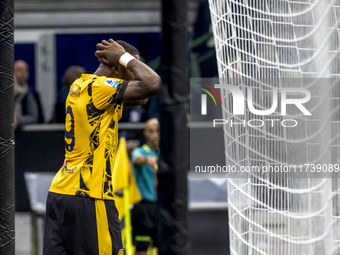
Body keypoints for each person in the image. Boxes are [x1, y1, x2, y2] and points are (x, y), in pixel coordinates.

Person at [43, 39, 160, 255]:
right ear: (117, 67)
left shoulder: (80, 86)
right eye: (131, 68)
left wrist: (124, 62)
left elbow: (143, 98)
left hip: (60, 193)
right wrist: (125, 57)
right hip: (90, 195)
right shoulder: (101, 90)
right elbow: (154, 83)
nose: (134, 74)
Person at [131, 118, 159, 255]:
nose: (154, 135)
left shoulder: (167, 153)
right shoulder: (140, 152)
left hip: (162, 208)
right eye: (151, 131)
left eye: (157, 131)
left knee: (166, 246)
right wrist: (147, 160)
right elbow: (136, 159)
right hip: (143, 208)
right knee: (142, 248)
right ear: (145, 133)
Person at [14, 59, 44, 125]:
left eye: (25, 71)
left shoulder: (31, 93)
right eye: (18, 70)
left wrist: (17, 120)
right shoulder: (4, 93)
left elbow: (36, 118)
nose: (22, 74)